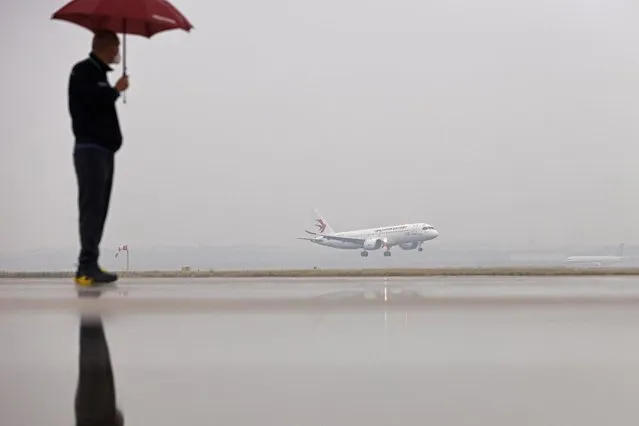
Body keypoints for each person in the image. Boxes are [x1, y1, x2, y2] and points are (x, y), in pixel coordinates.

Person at [68, 30, 129, 287]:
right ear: (106, 47)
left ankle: (91, 262)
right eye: (116, 47)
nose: (118, 53)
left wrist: (113, 90)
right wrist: (115, 91)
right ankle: (85, 267)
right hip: (90, 150)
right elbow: (91, 102)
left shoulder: (100, 74)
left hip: (104, 151)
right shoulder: (83, 72)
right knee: (91, 208)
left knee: (100, 209)